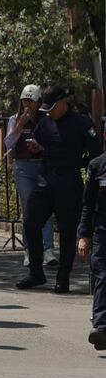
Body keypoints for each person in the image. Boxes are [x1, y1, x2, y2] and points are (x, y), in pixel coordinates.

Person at [17, 86, 101, 293]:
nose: (49, 112)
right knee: (30, 222)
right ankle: (36, 273)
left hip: (69, 182)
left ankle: (63, 278)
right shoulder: (45, 123)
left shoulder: (81, 123)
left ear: (63, 103)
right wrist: (36, 148)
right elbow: (39, 143)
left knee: (66, 231)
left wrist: (79, 164)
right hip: (45, 180)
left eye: (52, 108)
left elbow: (96, 153)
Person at [5, 85, 57, 267]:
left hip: (42, 165)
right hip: (23, 166)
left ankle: (48, 250)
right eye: (25, 101)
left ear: (38, 102)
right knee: (28, 208)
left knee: (46, 207)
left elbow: (52, 141)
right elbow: (8, 143)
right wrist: (19, 126)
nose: (27, 105)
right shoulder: (15, 119)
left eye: (31, 101)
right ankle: (29, 251)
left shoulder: (46, 118)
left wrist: (40, 148)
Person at [79, 146, 106, 351]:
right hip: (102, 232)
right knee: (102, 276)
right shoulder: (97, 165)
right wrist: (84, 235)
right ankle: (101, 328)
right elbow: (88, 204)